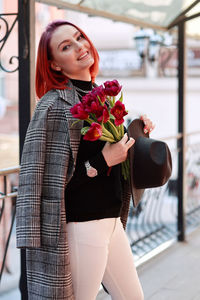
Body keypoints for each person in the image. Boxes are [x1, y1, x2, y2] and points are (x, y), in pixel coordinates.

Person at [16, 20, 155, 300]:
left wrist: (135, 134)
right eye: (66, 46)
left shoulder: (102, 98)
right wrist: (101, 162)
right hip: (82, 226)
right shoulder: (53, 105)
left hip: (112, 220)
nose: (80, 46)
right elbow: (43, 183)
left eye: (79, 37)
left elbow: (114, 157)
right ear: (55, 64)